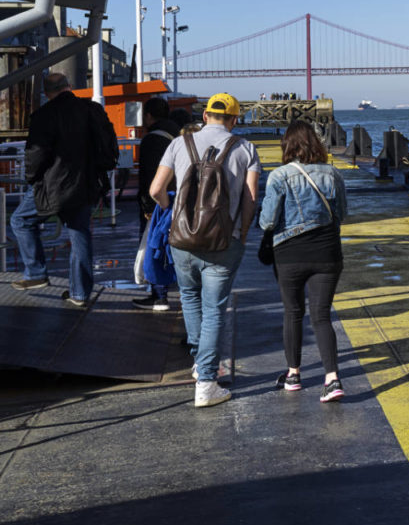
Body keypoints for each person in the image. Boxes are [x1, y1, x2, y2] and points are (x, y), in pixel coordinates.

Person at [149, 92, 262, 408]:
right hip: (224, 240)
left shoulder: (178, 144)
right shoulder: (245, 148)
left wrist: (171, 210)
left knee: (189, 298)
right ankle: (207, 382)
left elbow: (155, 189)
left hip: (182, 240)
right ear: (234, 119)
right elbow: (251, 198)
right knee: (214, 308)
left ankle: (200, 363)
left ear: (206, 116)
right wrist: (241, 231)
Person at [10, 71, 118, 306]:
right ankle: (79, 294)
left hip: (53, 184)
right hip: (86, 183)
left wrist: (31, 178)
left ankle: (36, 273)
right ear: (69, 86)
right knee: (78, 233)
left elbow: (35, 154)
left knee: (21, 221)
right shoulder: (91, 109)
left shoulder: (43, 115)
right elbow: (108, 143)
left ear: (47, 93)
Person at [259, 121, 349, 402]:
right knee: (322, 316)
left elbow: (268, 221)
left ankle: (293, 374)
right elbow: (342, 214)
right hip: (327, 253)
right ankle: (332, 379)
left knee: (292, 313)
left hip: (289, 255)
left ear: (287, 145)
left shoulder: (279, 176)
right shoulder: (333, 174)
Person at [133, 96, 181, 311]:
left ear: (149, 116)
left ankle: (158, 294)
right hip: (179, 198)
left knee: (155, 246)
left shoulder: (152, 139)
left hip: (160, 201)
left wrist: (147, 206)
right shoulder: (178, 135)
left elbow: (149, 177)